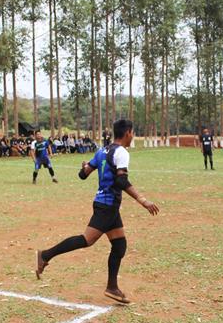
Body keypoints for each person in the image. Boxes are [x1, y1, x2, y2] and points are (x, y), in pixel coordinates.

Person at [36, 119, 159, 304]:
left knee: (119, 245)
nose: (132, 136)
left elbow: (83, 174)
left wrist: (83, 167)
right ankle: (45, 255)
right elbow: (121, 181)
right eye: (132, 132)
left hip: (107, 204)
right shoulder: (121, 153)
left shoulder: (102, 150)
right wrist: (142, 200)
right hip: (107, 205)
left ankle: (112, 287)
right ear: (127, 133)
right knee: (87, 239)